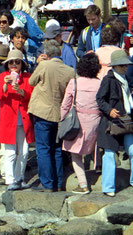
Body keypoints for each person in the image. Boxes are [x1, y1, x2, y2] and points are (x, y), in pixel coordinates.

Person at [29, 40, 75, 192]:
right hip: (59, 114)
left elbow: (31, 81)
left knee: (43, 149)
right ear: (60, 53)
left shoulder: (43, 65)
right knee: (56, 149)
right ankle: (58, 182)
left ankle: (47, 184)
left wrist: (38, 63)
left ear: (46, 54)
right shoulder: (69, 71)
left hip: (42, 112)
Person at [60, 53, 102, 194]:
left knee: (75, 154)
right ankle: (98, 170)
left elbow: (65, 105)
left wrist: (62, 119)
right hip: (96, 120)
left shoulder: (75, 82)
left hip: (78, 120)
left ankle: (83, 184)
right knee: (96, 148)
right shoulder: (100, 82)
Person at [0, 49, 34, 190]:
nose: (14, 65)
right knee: (10, 152)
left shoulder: (28, 77)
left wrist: (21, 91)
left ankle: (19, 178)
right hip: (8, 120)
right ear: (7, 64)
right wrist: (5, 84)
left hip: (24, 119)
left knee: (24, 152)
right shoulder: (1, 77)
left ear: (22, 64)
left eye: (17, 62)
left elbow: (31, 94)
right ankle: (10, 180)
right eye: (11, 62)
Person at [96, 50, 133, 197]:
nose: (126, 68)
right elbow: (99, 99)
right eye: (123, 65)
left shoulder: (125, 79)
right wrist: (109, 110)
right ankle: (108, 187)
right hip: (111, 123)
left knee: (132, 150)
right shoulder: (108, 79)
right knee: (109, 154)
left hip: (127, 121)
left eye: (126, 65)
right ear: (116, 66)